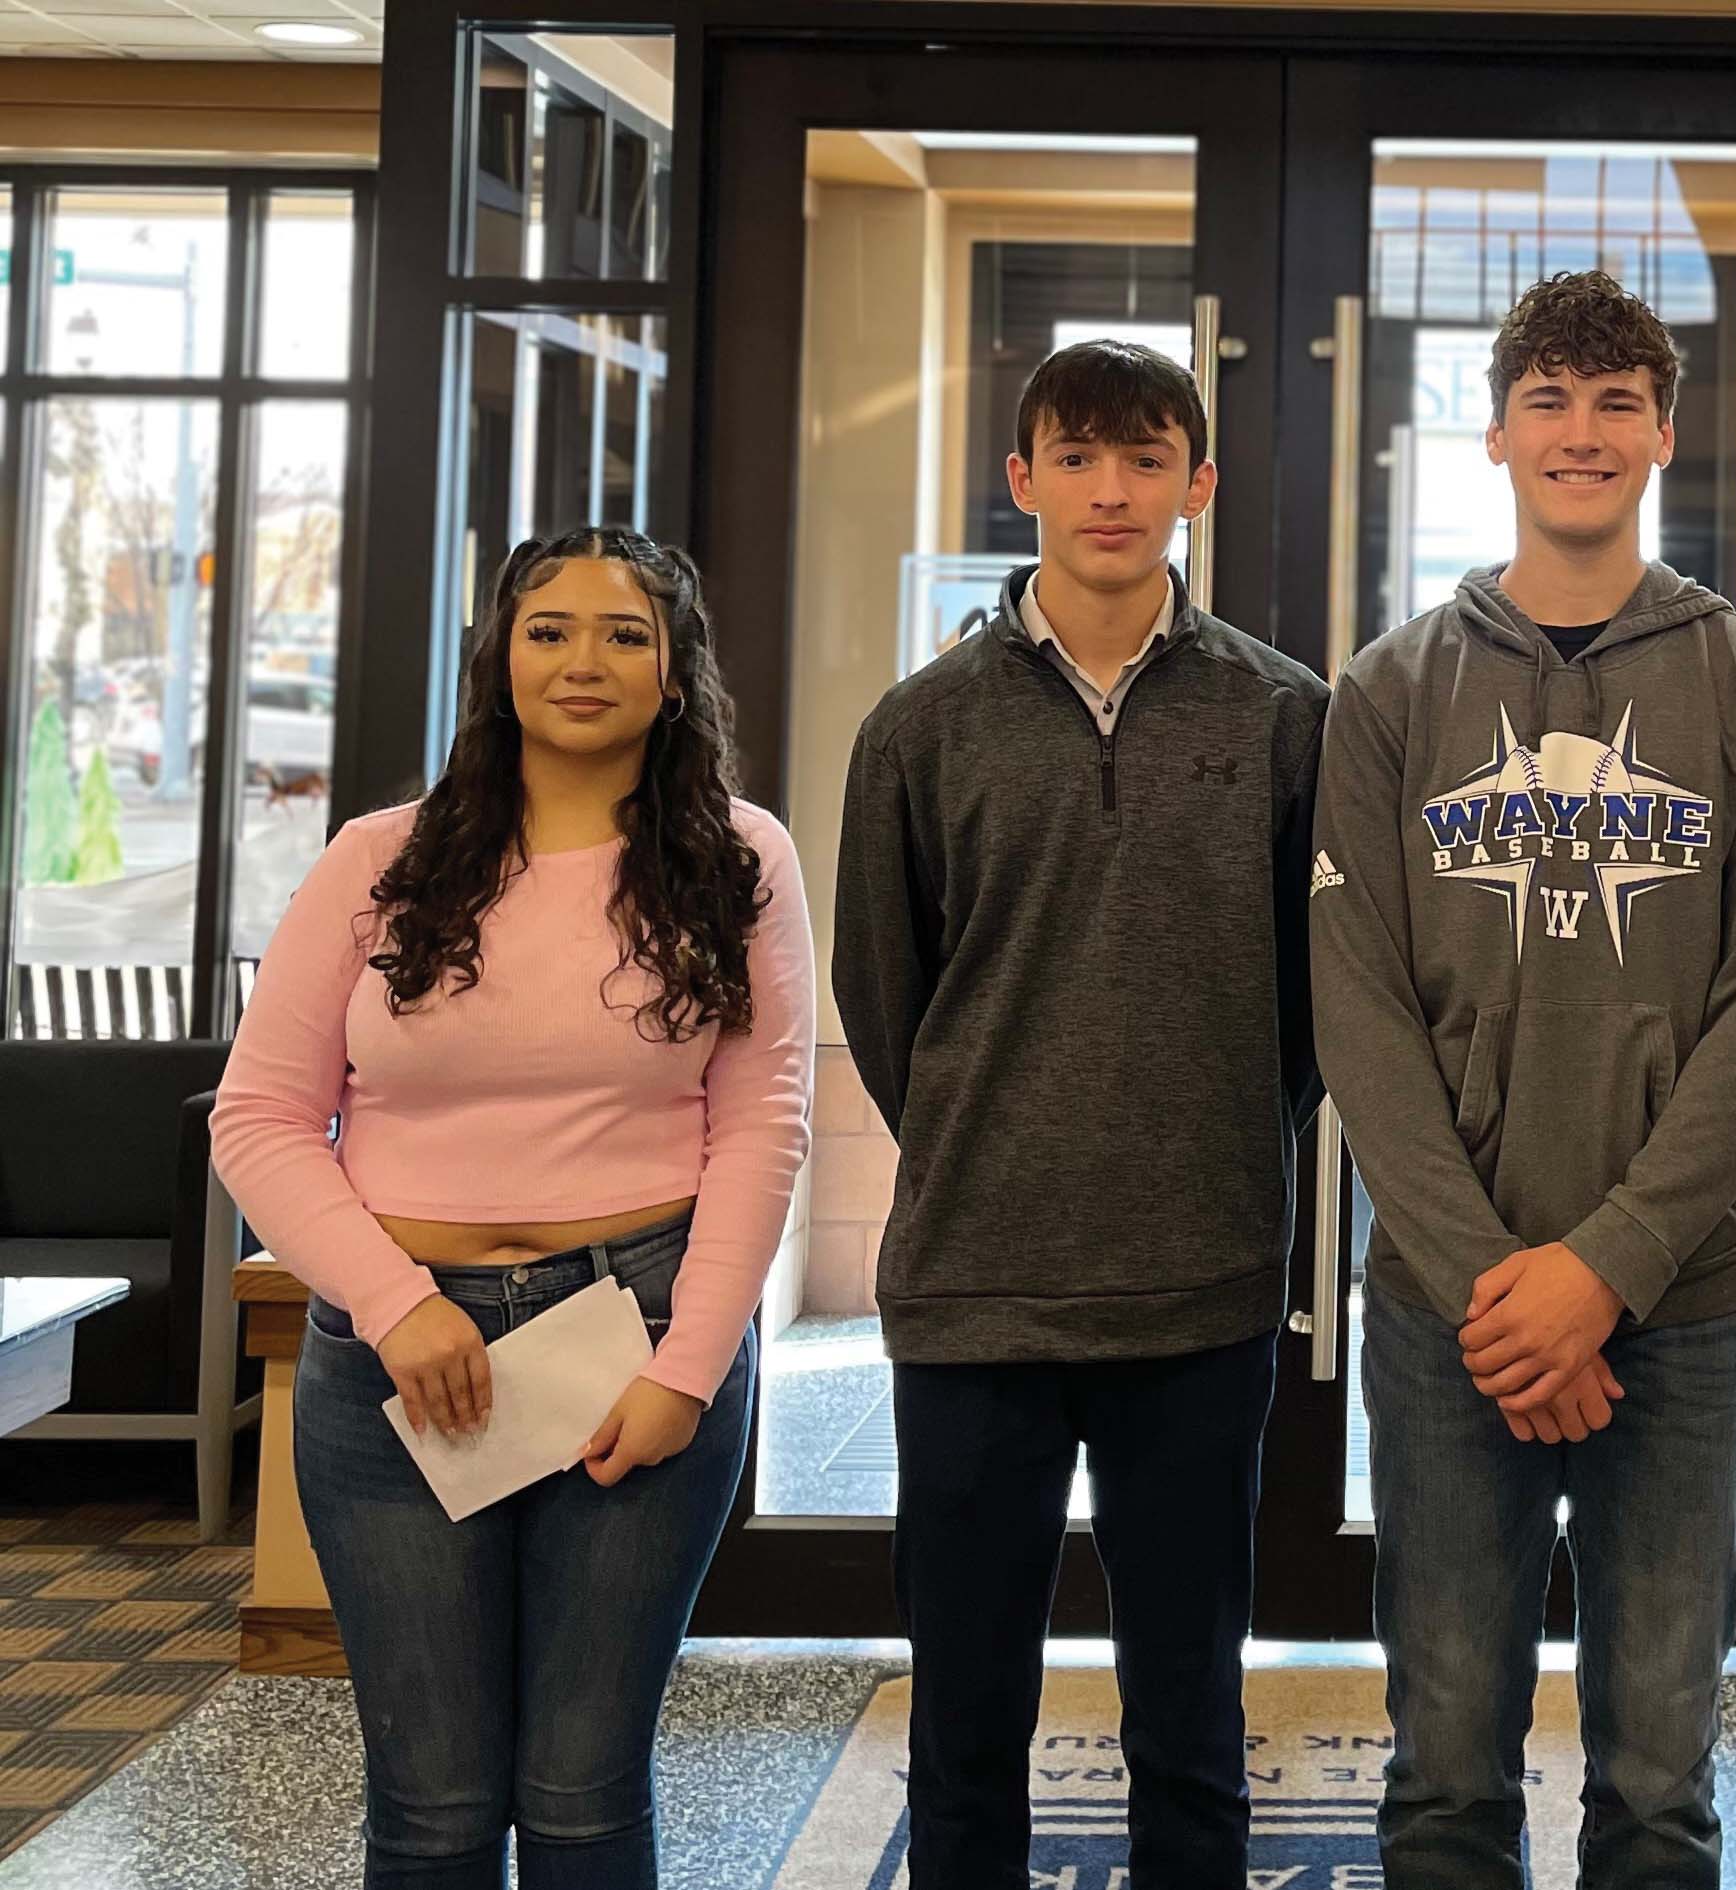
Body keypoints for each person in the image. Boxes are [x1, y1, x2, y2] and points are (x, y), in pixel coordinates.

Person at [1311, 271, 1736, 1889]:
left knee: (1661, 1779)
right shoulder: (1388, 694)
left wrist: (1602, 1274)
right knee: (1445, 1765)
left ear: (1665, 434)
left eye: (1618, 401)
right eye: (1549, 398)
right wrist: (1502, 1286)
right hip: (1445, 1312)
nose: (1584, 431)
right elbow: (1360, 1014)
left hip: (1682, 1307)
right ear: (1496, 434)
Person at [212, 526, 813, 1886]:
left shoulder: (739, 860)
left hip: (638, 1341)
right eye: (548, 629)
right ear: (498, 661)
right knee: (429, 1801)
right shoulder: (384, 859)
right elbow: (256, 1115)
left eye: (622, 632)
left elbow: (764, 1126)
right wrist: (397, 1303)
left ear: (674, 673)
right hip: (397, 1369)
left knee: (584, 1789)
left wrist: (687, 1369)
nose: (581, 659)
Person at [832, 338, 1329, 1886]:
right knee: (965, 1713)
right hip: (979, 1288)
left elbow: (1314, 1006)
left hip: (1202, 1285)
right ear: (1023, 478)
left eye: (1145, 457)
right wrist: (1006, 1134)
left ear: (1199, 484)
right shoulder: (917, 727)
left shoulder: (1284, 713)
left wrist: (1209, 1127)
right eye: (1078, 455)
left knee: (1189, 1703)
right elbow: (883, 995)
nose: (1111, 490)